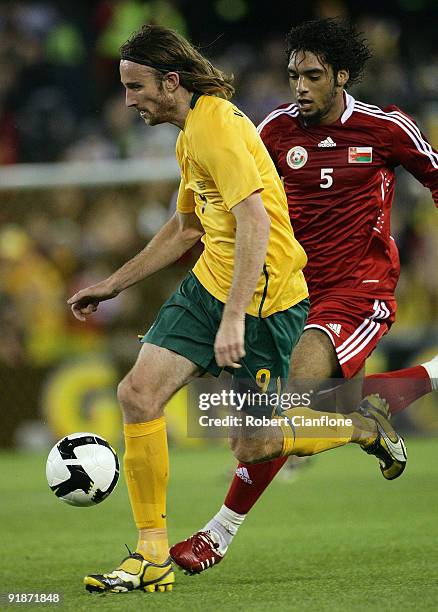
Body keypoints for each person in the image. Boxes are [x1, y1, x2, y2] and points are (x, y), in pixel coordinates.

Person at [68, 23, 407, 595]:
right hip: (209, 286)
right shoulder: (188, 135)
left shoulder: (217, 128)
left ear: (170, 82)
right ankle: (151, 555)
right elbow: (185, 228)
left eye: (135, 87)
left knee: (255, 442)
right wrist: (114, 283)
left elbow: (255, 221)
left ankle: (360, 427)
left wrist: (234, 320)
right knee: (136, 395)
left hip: (267, 301)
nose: (128, 100)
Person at [170, 18, 438, 575]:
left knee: (295, 397)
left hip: (358, 291)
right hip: (287, 294)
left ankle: (216, 535)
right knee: (255, 438)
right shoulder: (271, 132)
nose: (299, 86)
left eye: (312, 75)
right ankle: (389, 402)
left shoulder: (385, 128)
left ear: (341, 76)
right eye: (293, 74)